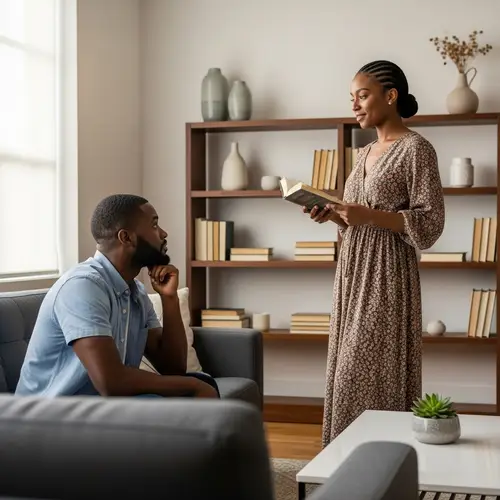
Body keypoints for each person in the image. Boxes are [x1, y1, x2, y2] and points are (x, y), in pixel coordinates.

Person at [304, 60, 445, 446]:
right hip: (351, 272)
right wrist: (333, 215)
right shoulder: (364, 153)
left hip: (386, 275)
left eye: (362, 95)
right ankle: (343, 467)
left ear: (391, 95)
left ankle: (378, 463)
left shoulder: (417, 149)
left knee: (364, 372)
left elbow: (430, 223)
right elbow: (357, 218)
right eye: (352, 97)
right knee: (343, 370)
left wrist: (370, 215)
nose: (355, 104)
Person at [16, 194, 219, 399]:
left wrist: (170, 299)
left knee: (203, 383)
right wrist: (191, 386)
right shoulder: (83, 286)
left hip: (102, 407)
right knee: (191, 390)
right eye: (155, 225)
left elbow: (173, 368)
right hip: (47, 416)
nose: (164, 233)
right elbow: (110, 382)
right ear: (126, 237)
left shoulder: (136, 292)